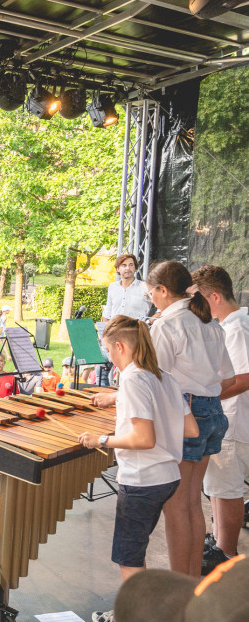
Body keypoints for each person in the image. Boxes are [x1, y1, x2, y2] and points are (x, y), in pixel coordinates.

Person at [94, 261, 235, 578]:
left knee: (177, 507)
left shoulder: (168, 326)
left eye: (150, 294)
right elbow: (226, 380)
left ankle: (181, 589)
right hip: (213, 411)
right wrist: (202, 397)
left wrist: (119, 397)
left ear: (162, 290)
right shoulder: (210, 323)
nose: (150, 300)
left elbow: (151, 380)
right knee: (193, 503)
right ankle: (192, 583)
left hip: (189, 412)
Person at [78, 316, 199, 622]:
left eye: (108, 350)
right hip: (168, 477)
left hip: (142, 480)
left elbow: (144, 439)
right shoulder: (165, 377)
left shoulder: (132, 379)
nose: (109, 357)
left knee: (128, 556)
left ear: (120, 346)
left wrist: (101, 439)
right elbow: (191, 429)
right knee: (136, 548)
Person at [190, 266, 249, 568]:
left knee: (226, 489)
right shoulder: (239, 320)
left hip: (235, 421)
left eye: (198, 300)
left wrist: (205, 399)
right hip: (231, 418)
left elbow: (243, 378)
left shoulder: (236, 327)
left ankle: (226, 552)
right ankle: (219, 542)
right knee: (217, 487)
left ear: (214, 297)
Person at [101, 254, 151, 323]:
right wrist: (105, 327)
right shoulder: (112, 287)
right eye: (124, 265)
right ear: (117, 269)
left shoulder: (145, 287)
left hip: (136, 328)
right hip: (115, 327)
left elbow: (161, 309)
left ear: (135, 267)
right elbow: (107, 312)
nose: (128, 268)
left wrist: (149, 322)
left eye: (131, 265)